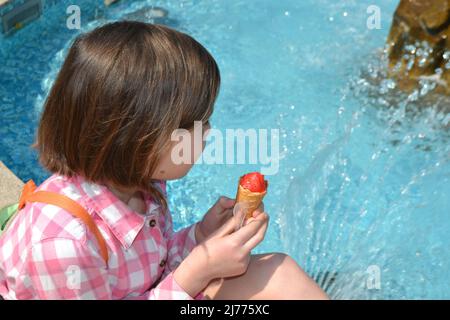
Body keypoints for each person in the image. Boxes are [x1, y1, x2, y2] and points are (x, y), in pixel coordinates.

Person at [0, 21, 328, 300]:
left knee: (278, 272)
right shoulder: (63, 244)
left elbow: (150, 267)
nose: (208, 132)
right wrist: (197, 272)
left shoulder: (144, 181)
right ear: (139, 137)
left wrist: (200, 237)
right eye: (198, 123)